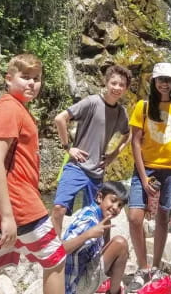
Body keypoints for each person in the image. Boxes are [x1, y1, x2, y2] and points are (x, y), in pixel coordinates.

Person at [0, 54, 65, 294]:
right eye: (25, 77)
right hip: (18, 205)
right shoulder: (9, 109)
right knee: (56, 259)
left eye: (36, 78)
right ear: (8, 79)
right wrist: (7, 216)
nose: (32, 83)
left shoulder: (11, 107)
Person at [127, 62, 171, 292]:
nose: (165, 83)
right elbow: (135, 141)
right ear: (153, 81)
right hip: (146, 168)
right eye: (161, 79)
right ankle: (142, 267)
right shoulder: (142, 107)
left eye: (169, 79)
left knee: (163, 217)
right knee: (135, 216)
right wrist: (143, 177)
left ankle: (154, 267)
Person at [51, 65, 132, 236]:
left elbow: (128, 135)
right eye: (114, 83)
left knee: (99, 215)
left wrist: (113, 155)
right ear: (106, 82)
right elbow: (60, 119)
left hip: (96, 172)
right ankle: (57, 253)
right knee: (59, 208)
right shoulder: (92, 102)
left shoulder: (120, 113)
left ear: (126, 88)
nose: (117, 88)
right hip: (76, 166)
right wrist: (68, 148)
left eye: (121, 85)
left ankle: (99, 255)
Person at [63, 181, 129, 294]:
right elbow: (60, 249)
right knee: (120, 244)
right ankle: (114, 292)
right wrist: (88, 234)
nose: (115, 208)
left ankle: (106, 282)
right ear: (99, 197)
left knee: (108, 226)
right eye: (113, 201)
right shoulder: (90, 221)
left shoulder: (98, 215)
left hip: (80, 275)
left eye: (120, 205)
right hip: (74, 286)